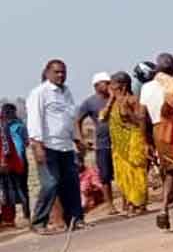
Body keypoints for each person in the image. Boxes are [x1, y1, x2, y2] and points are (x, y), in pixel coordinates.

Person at [28, 60, 86, 234]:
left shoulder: (66, 93)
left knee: (71, 183)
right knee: (50, 184)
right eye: (57, 72)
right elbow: (34, 120)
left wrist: (77, 140)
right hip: (47, 146)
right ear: (47, 73)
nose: (61, 75)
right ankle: (38, 222)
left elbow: (70, 117)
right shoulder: (40, 93)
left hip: (65, 146)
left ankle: (75, 220)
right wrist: (37, 145)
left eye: (63, 72)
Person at [141, 52, 173, 231]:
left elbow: (143, 116)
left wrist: (146, 141)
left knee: (170, 173)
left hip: (158, 131)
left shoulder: (146, 87)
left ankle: (164, 208)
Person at [103, 72, 149, 216]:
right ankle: (130, 202)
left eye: (112, 84)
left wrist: (129, 113)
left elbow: (141, 121)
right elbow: (102, 117)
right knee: (123, 175)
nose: (109, 87)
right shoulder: (113, 103)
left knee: (135, 173)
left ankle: (138, 204)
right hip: (118, 144)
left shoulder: (132, 100)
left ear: (122, 86)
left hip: (133, 141)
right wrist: (111, 100)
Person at [78, 72, 117, 215]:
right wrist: (81, 139)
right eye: (105, 83)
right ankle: (110, 205)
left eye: (109, 83)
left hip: (119, 142)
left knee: (122, 172)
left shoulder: (116, 98)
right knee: (105, 176)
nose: (108, 85)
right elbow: (77, 120)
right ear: (96, 86)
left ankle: (128, 202)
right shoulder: (90, 102)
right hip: (102, 144)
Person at [0, 103, 29, 229]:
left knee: (8, 190)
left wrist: (4, 160)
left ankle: (10, 220)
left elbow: (5, 143)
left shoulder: (5, 125)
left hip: (9, 162)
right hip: (9, 161)